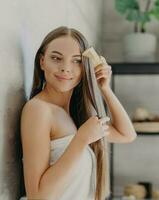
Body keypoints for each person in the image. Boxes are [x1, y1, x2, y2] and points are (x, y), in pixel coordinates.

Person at [20, 26, 137, 200]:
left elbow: (126, 135)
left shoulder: (77, 115)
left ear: (86, 68)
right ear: (42, 61)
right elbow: (37, 196)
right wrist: (81, 139)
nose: (66, 68)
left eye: (76, 61)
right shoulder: (38, 110)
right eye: (56, 58)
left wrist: (105, 88)